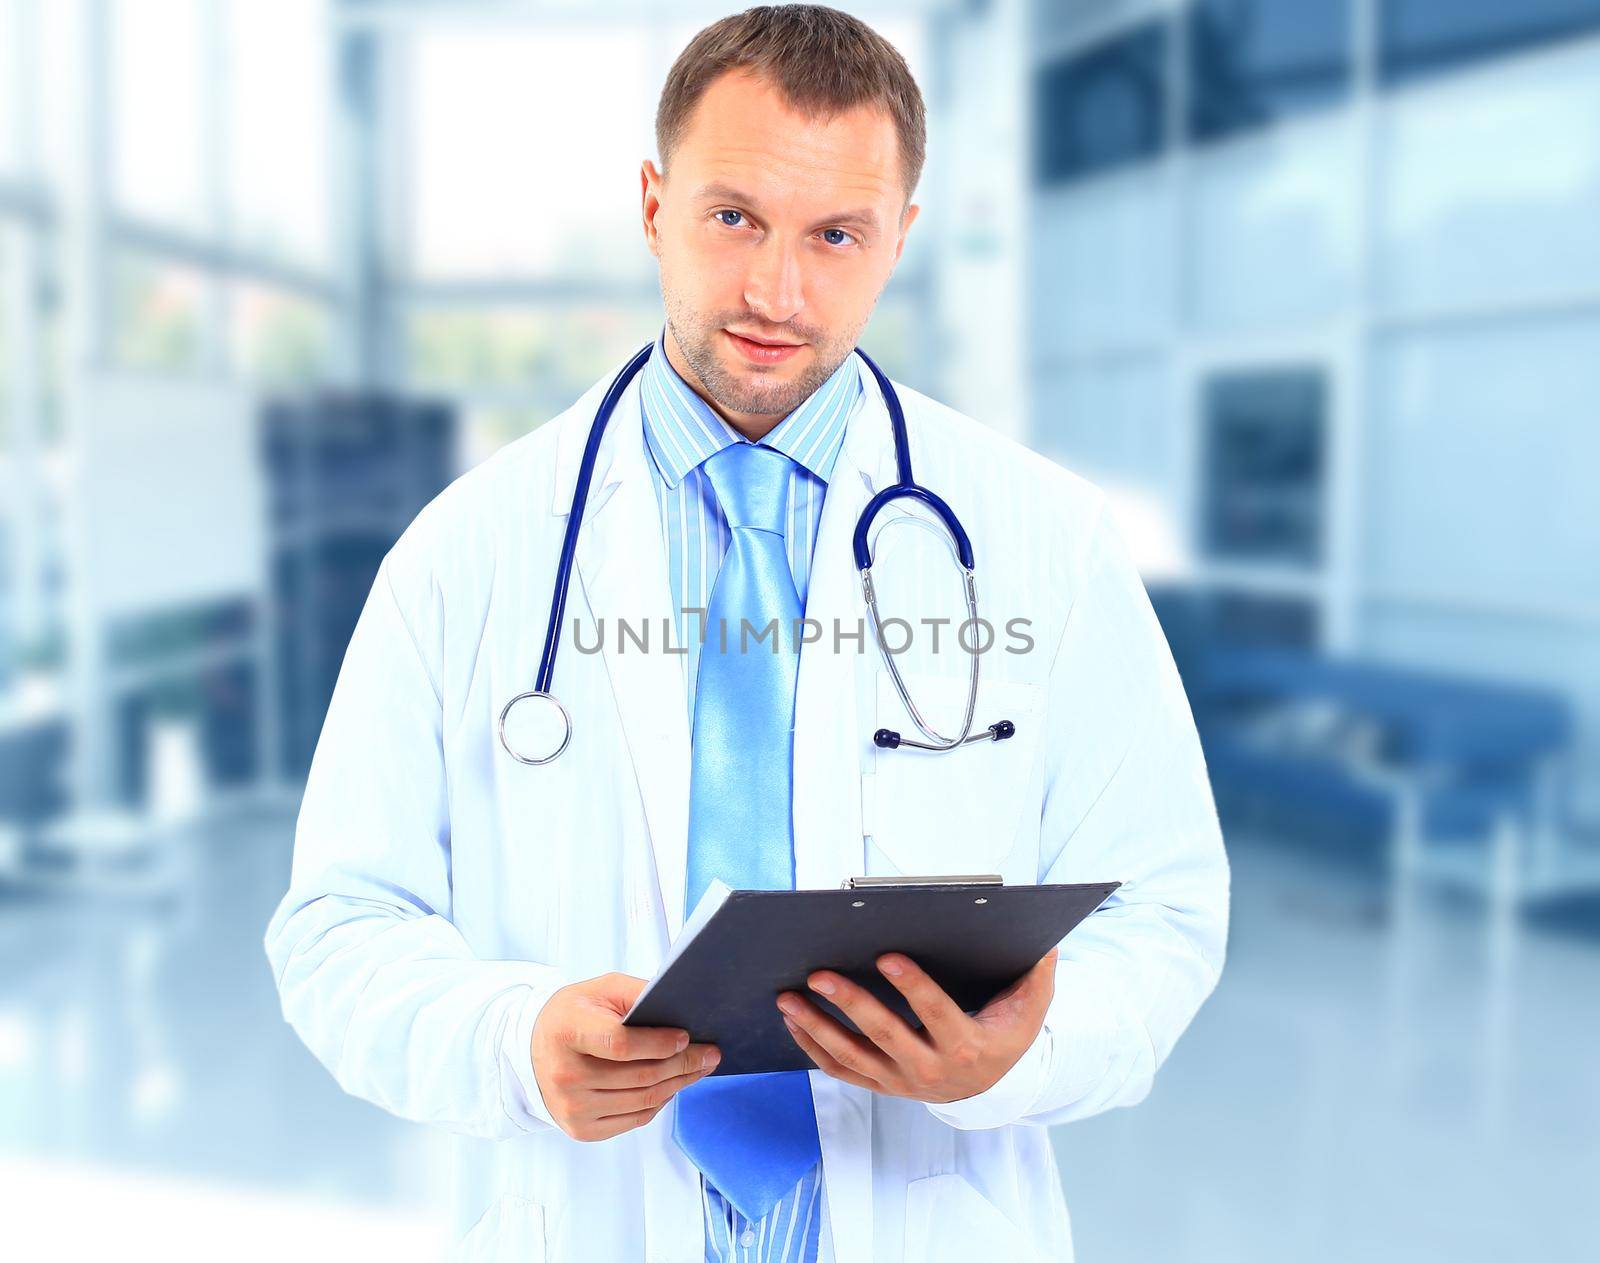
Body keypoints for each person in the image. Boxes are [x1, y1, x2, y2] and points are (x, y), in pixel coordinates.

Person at [263, 6, 1230, 1262]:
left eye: (837, 235)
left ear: (900, 241)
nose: (779, 289)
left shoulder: (1049, 541)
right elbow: (338, 925)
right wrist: (511, 1039)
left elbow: (1163, 909)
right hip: (591, 1217)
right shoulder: (467, 552)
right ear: (654, 204)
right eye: (735, 218)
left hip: (926, 1211)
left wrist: (1021, 1051)